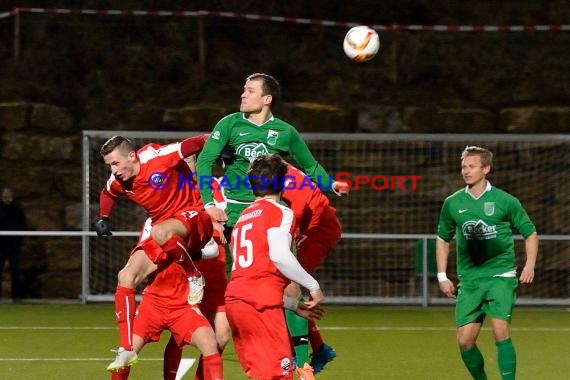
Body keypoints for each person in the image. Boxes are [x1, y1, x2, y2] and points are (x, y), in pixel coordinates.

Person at [95, 135, 216, 371]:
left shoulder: (156, 156)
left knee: (160, 231)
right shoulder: (118, 180)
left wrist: (220, 143)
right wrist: (104, 217)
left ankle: (193, 275)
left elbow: (194, 143)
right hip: (167, 232)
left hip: (195, 218)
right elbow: (108, 194)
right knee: (126, 276)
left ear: (132, 155)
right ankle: (126, 348)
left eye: (116, 163)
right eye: (110, 165)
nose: (114, 170)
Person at [196, 72, 349, 242]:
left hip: (273, 209)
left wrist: (332, 184)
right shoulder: (229, 124)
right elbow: (204, 161)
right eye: (244, 90)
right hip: (235, 209)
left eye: (250, 91)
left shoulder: (286, 132)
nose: (243, 95)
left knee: (280, 263)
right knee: (236, 267)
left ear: (267, 99)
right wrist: (209, 204)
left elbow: (310, 166)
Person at [436, 146, 538, 380]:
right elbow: (443, 239)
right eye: (463, 166)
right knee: (464, 341)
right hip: (470, 280)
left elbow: (530, 233)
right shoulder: (453, 203)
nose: (466, 171)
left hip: (501, 275)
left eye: (471, 166)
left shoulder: (505, 200)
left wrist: (529, 264)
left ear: (486, 168)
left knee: (500, 330)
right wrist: (442, 275)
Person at [225, 154, 325, 380]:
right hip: (260, 308)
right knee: (279, 375)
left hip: (236, 304)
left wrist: (292, 304)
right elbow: (279, 255)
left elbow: (251, 276)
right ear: (282, 183)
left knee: (261, 375)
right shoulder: (280, 212)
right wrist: (313, 286)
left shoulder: (243, 217)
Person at [109, 225, 223, 380]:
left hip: (184, 306)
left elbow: (213, 249)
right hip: (153, 304)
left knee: (210, 343)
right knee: (126, 352)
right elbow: (140, 256)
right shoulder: (153, 224)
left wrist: (191, 253)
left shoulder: (192, 221)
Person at [281, 162, 340, 373]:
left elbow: (310, 209)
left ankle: (302, 364)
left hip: (319, 231)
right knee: (283, 286)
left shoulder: (289, 183)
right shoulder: (267, 168)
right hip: (309, 227)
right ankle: (319, 349)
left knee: (288, 284)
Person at [0, 187, 28, 301]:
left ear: (12, 197)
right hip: (0, 246)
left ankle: (16, 295)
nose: (7, 199)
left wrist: (18, 241)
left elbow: (23, 227)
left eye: (9, 197)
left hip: (14, 245)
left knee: (16, 271)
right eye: (5, 197)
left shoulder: (17, 210)